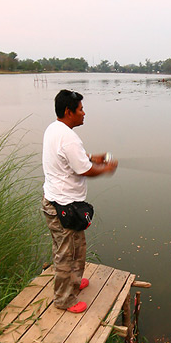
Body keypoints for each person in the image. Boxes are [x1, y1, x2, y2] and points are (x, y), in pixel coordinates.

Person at [42, 89, 118, 313]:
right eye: (81, 109)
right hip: (64, 206)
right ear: (68, 111)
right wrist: (106, 168)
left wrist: (93, 157)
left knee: (74, 248)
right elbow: (85, 170)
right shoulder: (68, 138)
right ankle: (64, 300)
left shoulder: (55, 129)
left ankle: (74, 282)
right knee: (67, 253)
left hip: (56, 201)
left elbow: (74, 158)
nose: (84, 113)